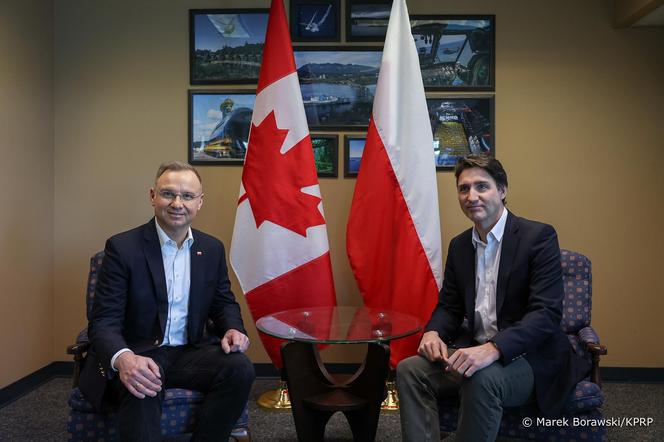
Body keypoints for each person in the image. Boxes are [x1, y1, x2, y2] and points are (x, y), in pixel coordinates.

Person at [396, 155, 589, 442]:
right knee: (410, 370)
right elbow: (449, 306)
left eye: (481, 187)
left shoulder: (538, 237)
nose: (471, 196)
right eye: (464, 189)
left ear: (502, 190)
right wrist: (434, 331)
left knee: (482, 378)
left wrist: (494, 348)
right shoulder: (460, 246)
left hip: (531, 357)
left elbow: (546, 314)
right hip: (474, 350)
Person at [79, 161, 255, 441]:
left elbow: (223, 302)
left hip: (189, 352)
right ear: (152, 196)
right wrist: (124, 358)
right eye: (168, 193)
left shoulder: (211, 249)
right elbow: (103, 321)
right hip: (139, 351)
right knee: (142, 384)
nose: (177, 203)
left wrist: (234, 329)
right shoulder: (122, 248)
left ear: (200, 202)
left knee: (240, 368)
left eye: (187, 196)